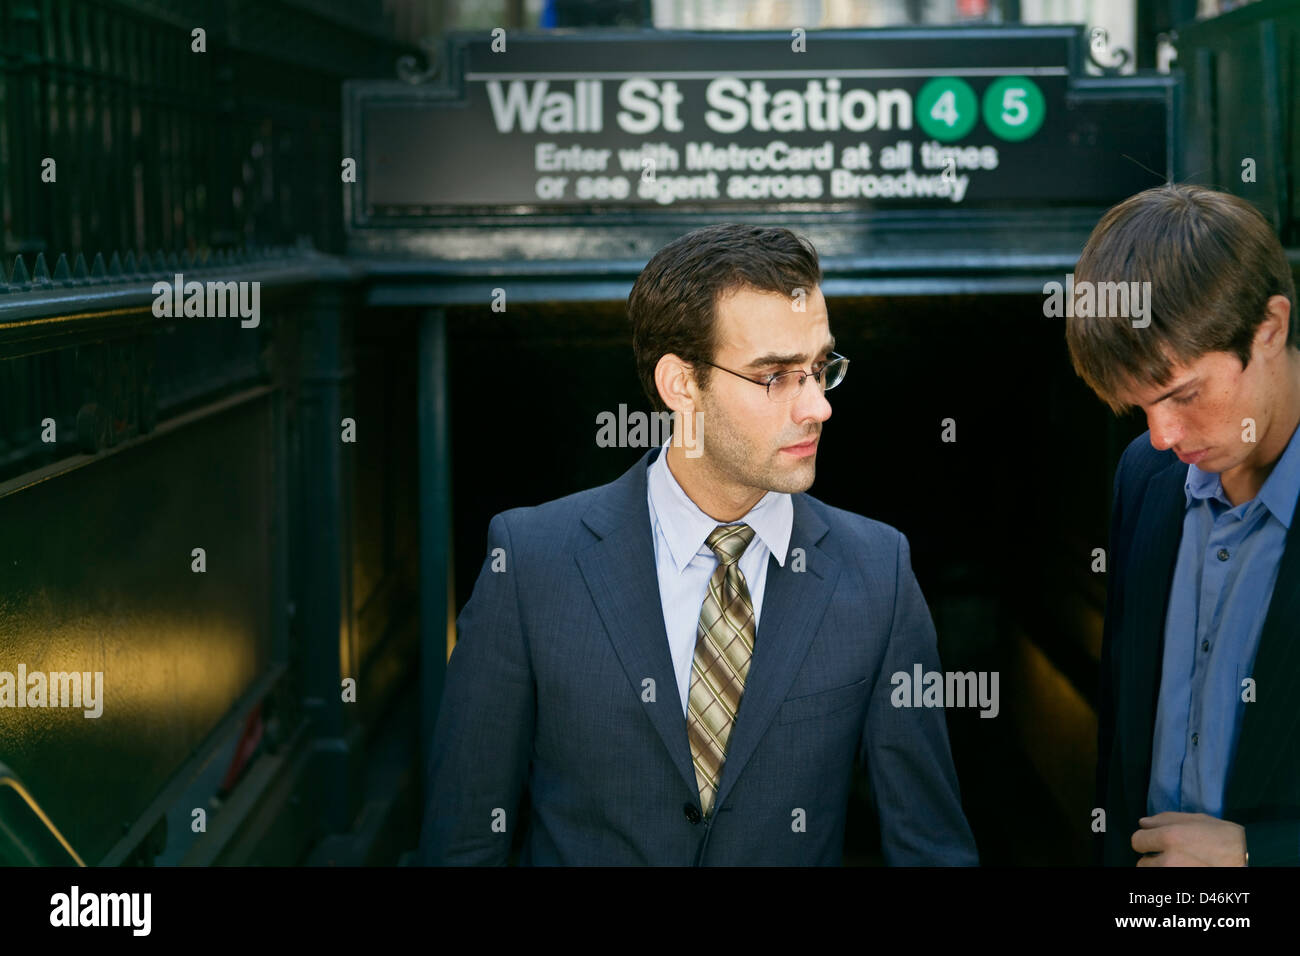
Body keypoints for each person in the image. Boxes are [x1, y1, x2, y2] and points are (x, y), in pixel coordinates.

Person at [418, 223, 978, 865]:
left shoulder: (879, 571)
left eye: (821, 369)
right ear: (680, 385)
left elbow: (930, 849)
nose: (817, 407)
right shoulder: (529, 560)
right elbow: (461, 842)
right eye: (775, 376)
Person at [1066, 184, 1300, 866]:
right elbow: (1119, 743)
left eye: (1185, 395)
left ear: (1271, 328)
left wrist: (1263, 854)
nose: (1162, 435)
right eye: (1137, 407)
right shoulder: (1145, 475)